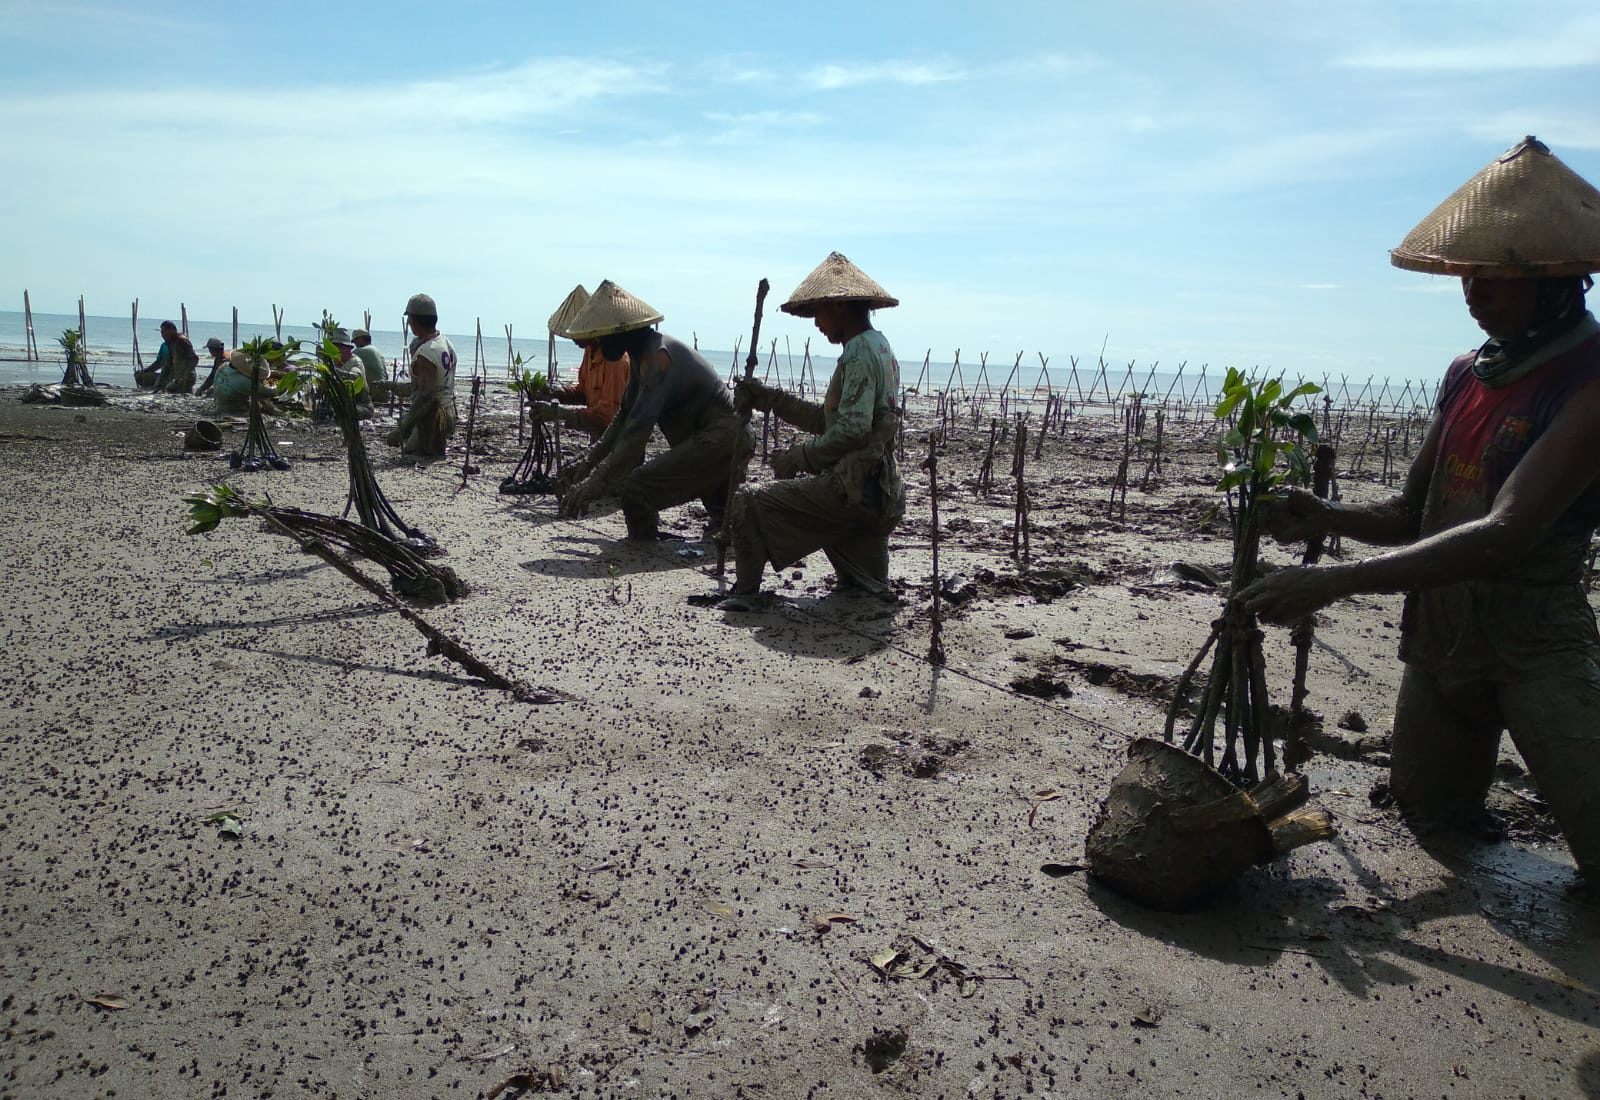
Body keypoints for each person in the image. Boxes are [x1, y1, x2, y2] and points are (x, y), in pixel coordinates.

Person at [1240, 136, 1600, 887]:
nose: (1472, 289)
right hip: (1439, 637)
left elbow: (1506, 535)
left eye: (1494, 272)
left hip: (1534, 637)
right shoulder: (1467, 373)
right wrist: (1326, 515)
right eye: (1467, 271)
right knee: (1428, 821)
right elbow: (1413, 513)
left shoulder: (1589, 379)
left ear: (1556, 277)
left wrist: (1333, 584)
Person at [717, 252, 905, 611]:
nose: (817, 323)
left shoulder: (858, 353)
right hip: (882, 492)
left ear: (839, 307)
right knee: (866, 588)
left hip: (855, 492)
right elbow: (831, 422)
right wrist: (770, 399)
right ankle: (860, 576)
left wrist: (798, 457)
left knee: (748, 502)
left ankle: (745, 595)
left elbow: (852, 429)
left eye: (819, 312)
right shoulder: (879, 346)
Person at [555, 280, 753, 540]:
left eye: (603, 336)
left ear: (621, 332)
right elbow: (624, 416)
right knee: (724, 517)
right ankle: (725, 527)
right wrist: (588, 462)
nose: (599, 343)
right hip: (709, 439)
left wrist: (594, 482)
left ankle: (644, 547)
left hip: (725, 438)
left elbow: (636, 432)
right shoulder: (640, 357)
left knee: (637, 489)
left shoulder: (658, 358)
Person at [385, 294, 458, 458]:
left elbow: (425, 398)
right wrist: (392, 386)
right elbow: (429, 386)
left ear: (414, 321)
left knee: (415, 452)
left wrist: (401, 430)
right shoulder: (445, 342)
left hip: (434, 419)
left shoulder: (426, 354)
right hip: (449, 411)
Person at [135, 321, 198, 393]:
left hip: (187, 377)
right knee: (159, 386)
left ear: (172, 330)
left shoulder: (182, 341)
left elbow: (194, 359)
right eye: (161, 332)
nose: (162, 335)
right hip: (176, 376)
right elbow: (167, 363)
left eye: (164, 332)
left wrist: (185, 374)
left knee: (170, 389)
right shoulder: (171, 343)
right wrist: (159, 382)